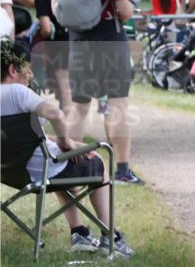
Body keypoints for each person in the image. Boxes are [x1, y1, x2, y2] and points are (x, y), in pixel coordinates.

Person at [1, 40, 134, 254]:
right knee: (97, 162)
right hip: (41, 171)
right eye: (27, 70)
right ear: (12, 69)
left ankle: (79, 232)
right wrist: (66, 142)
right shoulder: (17, 92)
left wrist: (65, 143)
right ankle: (110, 236)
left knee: (62, 162)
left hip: (10, 173)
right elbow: (56, 114)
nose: (30, 77)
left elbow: (31, 136)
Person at [52, 0, 143, 186]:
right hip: (109, 39)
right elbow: (125, 11)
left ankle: (68, 168)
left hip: (78, 40)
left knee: (79, 106)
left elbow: (56, 6)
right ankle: (122, 171)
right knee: (117, 104)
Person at [25, 0, 71, 111]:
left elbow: (46, 29)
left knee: (64, 88)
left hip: (59, 44)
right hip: (74, 38)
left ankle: (68, 122)